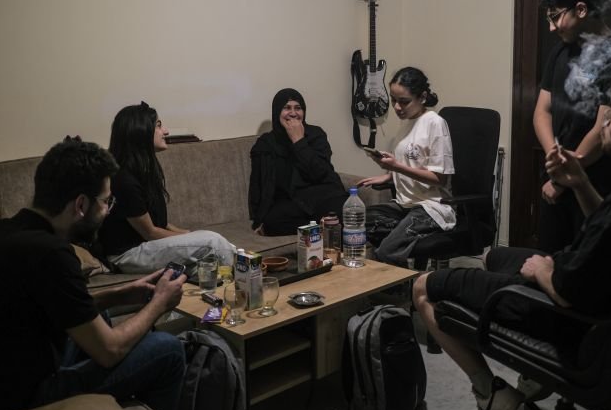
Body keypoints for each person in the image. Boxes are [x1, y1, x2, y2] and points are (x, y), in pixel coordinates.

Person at [413, 77, 611, 410]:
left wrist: (544, 272)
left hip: (560, 309)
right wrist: (579, 182)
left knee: (422, 289)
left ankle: (490, 393)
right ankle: (536, 377)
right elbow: (606, 227)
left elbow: (569, 292)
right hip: (585, 291)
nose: (603, 122)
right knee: (495, 256)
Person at [0, 138, 187, 410]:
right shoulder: (51, 253)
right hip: (19, 396)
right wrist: (160, 303)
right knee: (167, 350)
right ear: (81, 204)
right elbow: (110, 350)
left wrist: (116, 295)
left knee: (101, 317)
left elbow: (43, 306)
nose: (108, 211)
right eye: (107, 202)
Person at [533, 0, 611, 253]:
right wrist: (555, 162)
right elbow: (542, 112)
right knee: (548, 258)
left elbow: (603, 126)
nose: (552, 27)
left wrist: (564, 175)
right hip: (557, 177)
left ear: (580, 9)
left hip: (595, 182)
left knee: (587, 263)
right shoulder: (560, 52)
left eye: (555, 16)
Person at [98, 101, 235, 273]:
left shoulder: (143, 169)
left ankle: (237, 281)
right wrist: (195, 238)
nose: (166, 131)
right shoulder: (123, 179)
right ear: (141, 132)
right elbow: (150, 233)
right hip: (126, 255)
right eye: (158, 126)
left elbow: (158, 223)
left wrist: (190, 234)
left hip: (147, 246)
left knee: (207, 263)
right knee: (212, 242)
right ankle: (244, 284)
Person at [359, 67, 455, 267]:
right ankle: (402, 274)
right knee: (357, 224)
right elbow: (412, 163)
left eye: (404, 101)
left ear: (422, 97)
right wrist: (388, 175)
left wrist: (397, 167)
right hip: (405, 205)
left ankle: (403, 288)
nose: (396, 107)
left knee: (386, 251)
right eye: (394, 100)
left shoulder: (435, 123)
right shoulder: (407, 122)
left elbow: (440, 178)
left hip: (431, 208)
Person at [248, 88, 347, 236]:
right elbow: (257, 184)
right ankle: (321, 226)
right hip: (291, 204)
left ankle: (320, 226)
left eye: (298, 108)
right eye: (287, 108)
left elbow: (321, 173)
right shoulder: (266, 144)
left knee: (344, 209)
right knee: (271, 222)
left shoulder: (315, 135)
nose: (293, 113)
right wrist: (256, 217)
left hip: (320, 197)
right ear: (277, 112)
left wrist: (299, 141)